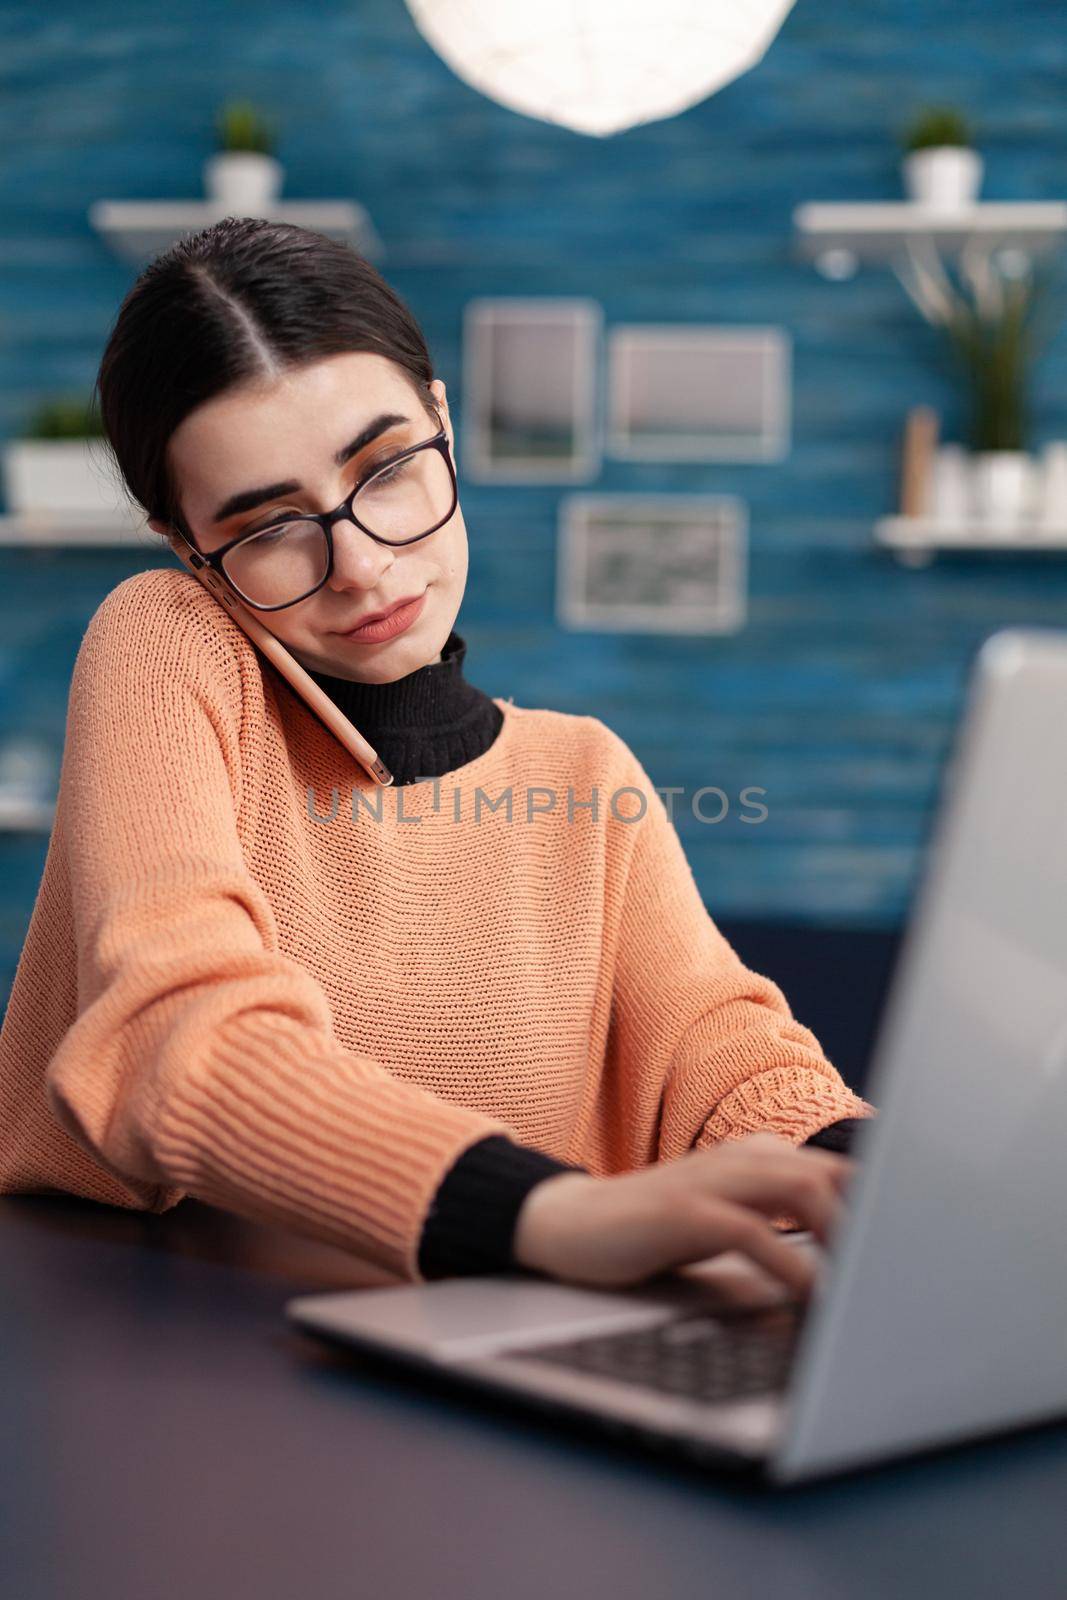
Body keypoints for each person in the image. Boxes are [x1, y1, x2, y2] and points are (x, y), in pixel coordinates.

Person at [0, 217, 875, 1298]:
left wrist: (882, 1180)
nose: (361, 567)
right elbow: (176, 1036)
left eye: (387, 467)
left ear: (443, 422)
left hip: (489, 1358)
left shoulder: (582, 771)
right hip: (166, 1346)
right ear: (189, 550)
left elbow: (723, 1061)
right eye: (269, 526)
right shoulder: (166, 642)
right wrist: (544, 1211)